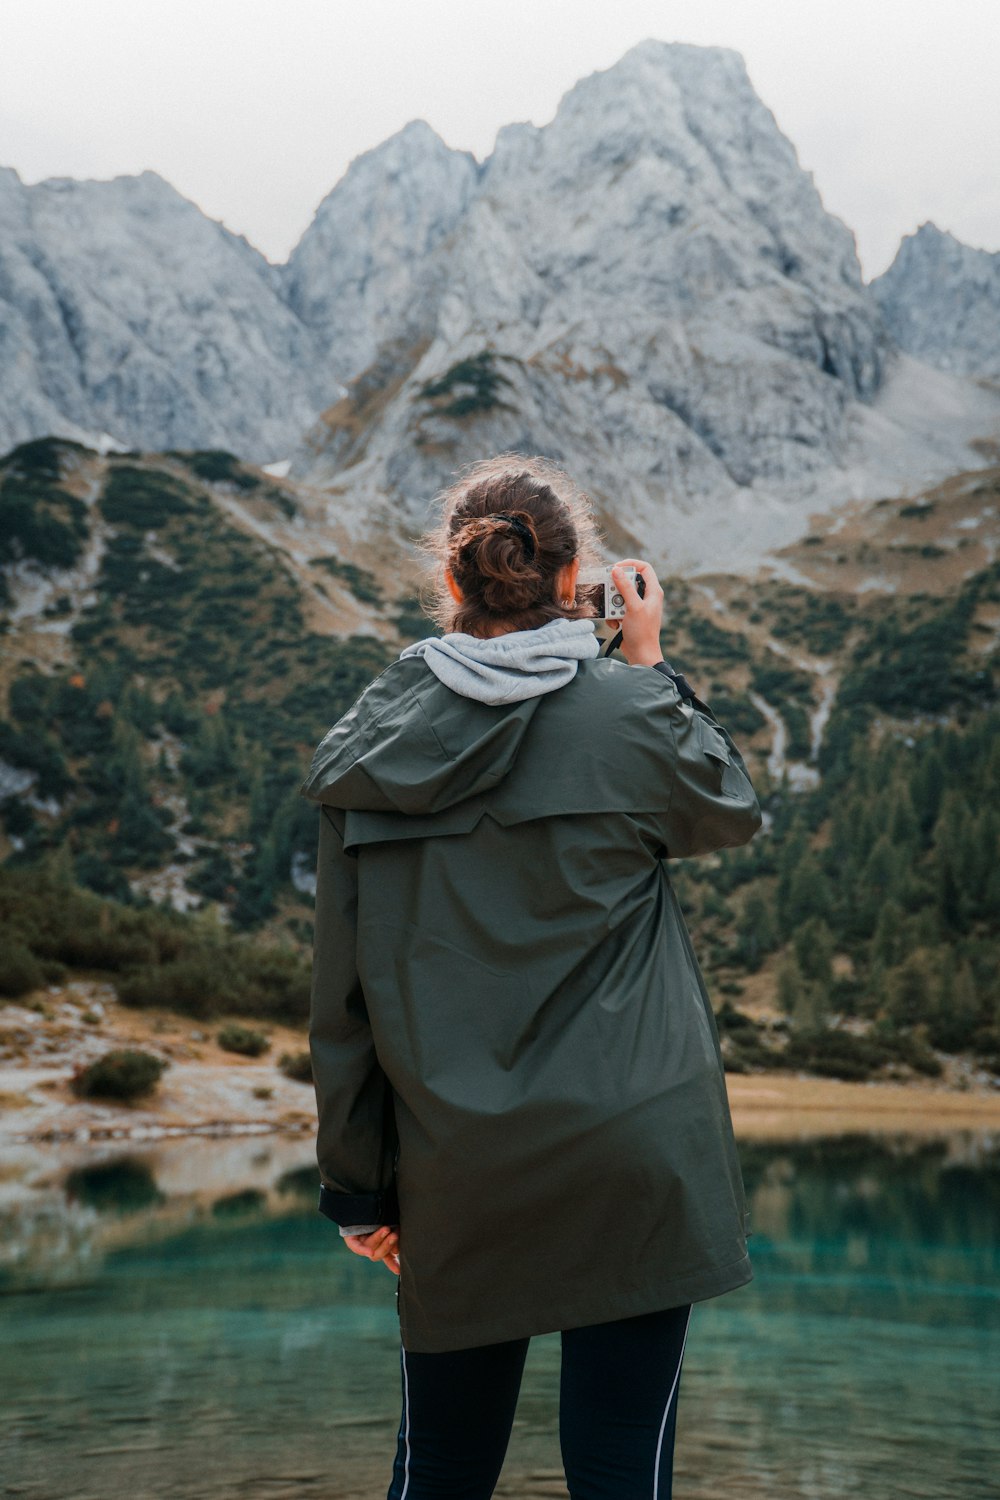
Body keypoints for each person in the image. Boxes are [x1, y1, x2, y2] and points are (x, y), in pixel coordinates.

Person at [299, 453, 763, 1499]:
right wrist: (645, 665)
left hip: (458, 1170)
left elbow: (344, 996)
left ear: (454, 582)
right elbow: (724, 808)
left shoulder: (369, 742)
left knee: (441, 1473)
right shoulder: (627, 714)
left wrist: (356, 1187)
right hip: (634, 1154)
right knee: (618, 1471)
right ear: (577, 581)